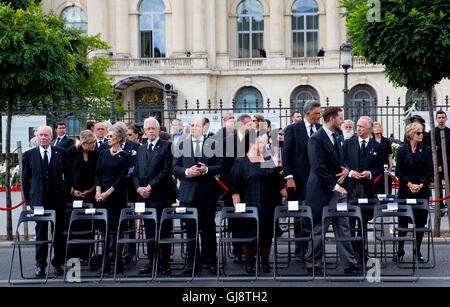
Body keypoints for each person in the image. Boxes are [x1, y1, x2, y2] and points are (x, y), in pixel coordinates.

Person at [305, 107, 361, 275]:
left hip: (338, 192)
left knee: (343, 227)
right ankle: (313, 263)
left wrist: (346, 170)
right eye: (340, 118)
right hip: (323, 192)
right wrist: (336, 186)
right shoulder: (316, 139)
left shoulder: (337, 136)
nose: (342, 121)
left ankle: (349, 264)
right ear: (331, 119)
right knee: (320, 229)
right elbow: (318, 167)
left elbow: (341, 161)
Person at [231, 130, 287, 273]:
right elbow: (235, 186)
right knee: (248, 235)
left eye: (266, 141)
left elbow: (277, 179)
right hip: (248, 205)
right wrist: (237, 206)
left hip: (268, 204)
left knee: (266, 235)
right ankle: (249, 261)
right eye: (262, 141)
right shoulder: (241, 161)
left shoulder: (267, 159)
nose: (265, 144)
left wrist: (284, 195)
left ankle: (265, 261)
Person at [172, 116, 222, 275]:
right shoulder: (182, 144)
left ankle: (211, 261)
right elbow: (175, 167)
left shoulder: (214, 144)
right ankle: (192, 263)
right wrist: (187, 172)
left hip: (207, 193)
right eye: (191, 125)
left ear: (205, 127)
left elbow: (221, 166)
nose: (193, 128)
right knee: (190, 229)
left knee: (208, 229)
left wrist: (206, 170)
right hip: (188, 194)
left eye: (197, 125)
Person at [22, 125, 72, 277]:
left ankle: (58, 263)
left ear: (52, 137)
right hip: (39, 201)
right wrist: (30, 199)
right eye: (40, 135)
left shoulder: (61, 152)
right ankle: (40, 265)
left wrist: (66, 193)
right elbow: (25, 179)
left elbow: (69, 174)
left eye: (46, 135)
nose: (43, 138)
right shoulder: (29, 154)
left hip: (58, 199)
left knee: (58, 233)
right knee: (41, 233)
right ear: (37, 137)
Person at [133, 117, 175, 276]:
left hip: (161, 195)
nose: (150, 131)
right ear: (144, 130)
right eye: (148, 128)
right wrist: (138, 189)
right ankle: (152, 262)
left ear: (158, 130)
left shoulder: (166, 146)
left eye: (153, 128)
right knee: (149, 231)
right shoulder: (141, 149)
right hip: (144, 197)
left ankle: (164, 263)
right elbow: (136, 172)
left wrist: (150, 186)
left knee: (163, 230)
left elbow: (166, 171)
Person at [282, 101, 322, 261]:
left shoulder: (320, 129)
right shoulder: (293, 129)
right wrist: (289, 177)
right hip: (298, 181)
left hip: (317, 181)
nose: (320, 116)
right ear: (308, 114)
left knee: (314, 216)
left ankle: (313, 251)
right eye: (317, 113)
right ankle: (300, 251)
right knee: (299, 216)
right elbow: (286, 154)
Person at [342, 116, 383, 264]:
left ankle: (363, 253)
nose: (358, 129)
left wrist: (370, 173)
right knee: (351, 222)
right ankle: (352, 255)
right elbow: (342, 162)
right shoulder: (348, 143)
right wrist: (351, 172)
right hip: (351, 188)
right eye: (357, 126)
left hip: (367, 188)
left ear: (369, 129)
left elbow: (380, 167)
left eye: (361, 127)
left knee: (364, 222)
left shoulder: (376, 146)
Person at [95, 125, 131, 273]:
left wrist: (107, 193)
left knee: (116, 230)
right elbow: (98, 173)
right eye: (108, 136)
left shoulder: (126, 156)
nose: (108, 138)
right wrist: (98, 192)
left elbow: (121, 178)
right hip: (101, 196)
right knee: (104, 229)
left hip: (116, 196)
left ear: (119, 138)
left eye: (110, 136)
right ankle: (105, 263)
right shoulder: (103, 153)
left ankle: (117, 262)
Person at [396, 122, 433, 262]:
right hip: (406, 190)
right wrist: (410, 184)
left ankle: (417, 251)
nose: (421, 135)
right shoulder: (401, 150)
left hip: (421, 190)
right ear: (411, 135)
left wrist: (421, 184)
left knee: (420, 222)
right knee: (403, 221)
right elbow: (399, 170)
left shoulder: (427, 150)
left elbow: (429, 170)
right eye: (418, 133)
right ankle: (400, 250)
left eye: (422, 132)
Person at [218, 114, 252, 264]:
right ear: (240, 126)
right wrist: (231, 188)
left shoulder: (253, 141)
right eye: (249, 125)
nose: (252, 128)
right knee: (235, 221)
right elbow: (224, 167)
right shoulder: (226, 142)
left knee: (250, 220)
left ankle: (251, 252)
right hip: (233, 187)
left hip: (250, 187)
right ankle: (237, 250)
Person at [67, 130, 99, 204]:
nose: (93, 144)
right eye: (90, 143)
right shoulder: (71, 152)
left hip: (91, 192)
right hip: (74, 192)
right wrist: (72, 190)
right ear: (83, 143)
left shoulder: (96, 154)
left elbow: (98, 173)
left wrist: (91, 190)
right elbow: (65, 173)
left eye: (94, 142)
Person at [435, 110, 450, 216]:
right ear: (436, 119)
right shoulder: (433, 132)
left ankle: (448, 205)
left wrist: (440, 148)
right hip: (438, 162)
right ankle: (440, 207)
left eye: (443, 117)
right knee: (438, 185)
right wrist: (438, 164)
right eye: (439, 117)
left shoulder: (449, 131)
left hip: (448, 161)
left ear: (446, 119)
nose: (441, 120)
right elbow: (433, 149)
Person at [372, 121, 393, 194]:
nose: (377, 129)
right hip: (375, 168)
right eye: (375, 127)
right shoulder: (371, 141)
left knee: (386, 189)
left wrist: (390, 167)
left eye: (379, 127)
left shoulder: (386, 141)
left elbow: (389, 155)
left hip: (385, 168)